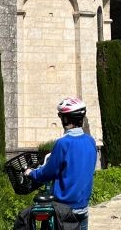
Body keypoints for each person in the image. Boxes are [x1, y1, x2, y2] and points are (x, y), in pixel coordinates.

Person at [24, 97, 97, 230]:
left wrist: (32, 173)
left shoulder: (63, 143)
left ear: (66, 119)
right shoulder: (91, 141)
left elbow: (48, 172)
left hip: (64, 210)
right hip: (83, 207)